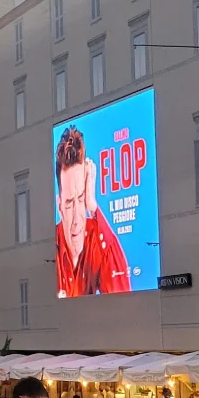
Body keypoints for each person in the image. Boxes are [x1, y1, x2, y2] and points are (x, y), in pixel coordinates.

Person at [53, 126, 130, 296]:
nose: (76, 220)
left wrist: (92, 205)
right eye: (68, 204)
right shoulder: (51, 247)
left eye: (80, 199)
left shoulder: (99, 240)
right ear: (59, 207)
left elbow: (123, 299)